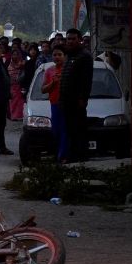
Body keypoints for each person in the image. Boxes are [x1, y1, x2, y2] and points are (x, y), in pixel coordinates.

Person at [59, 28, 93, 163]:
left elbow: (86, 80)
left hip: (76, 101)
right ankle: (73, 156)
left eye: (73, 39)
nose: (70, 41)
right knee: (70, 130)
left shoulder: (84, 56)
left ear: (79, 40)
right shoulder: (70, 56)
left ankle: (81, 157)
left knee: (79, 130)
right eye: (68, 39)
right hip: (66, 101)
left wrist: (83, 98)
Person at [42, 46, 68, 162]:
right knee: (56, 131)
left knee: (65, 131)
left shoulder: (68, 69)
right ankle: (58, 154)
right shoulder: (49, 71)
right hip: (55, 104)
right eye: (55, 55)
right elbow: (43, 89)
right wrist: (53, 82)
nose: (57, 57)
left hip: (67, 104)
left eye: (59, 54)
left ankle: (62, 156)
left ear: (64, 56)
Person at [7, 49, 27, 121]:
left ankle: (20, 116)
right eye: (13, 54)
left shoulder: (23, 63)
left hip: (20, 86)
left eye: (17, 54)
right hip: (11, 86)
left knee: (20, 102)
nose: (15, 56)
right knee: (13, 102)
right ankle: (13, 116)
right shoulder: (9, 63)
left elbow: (24, 74)